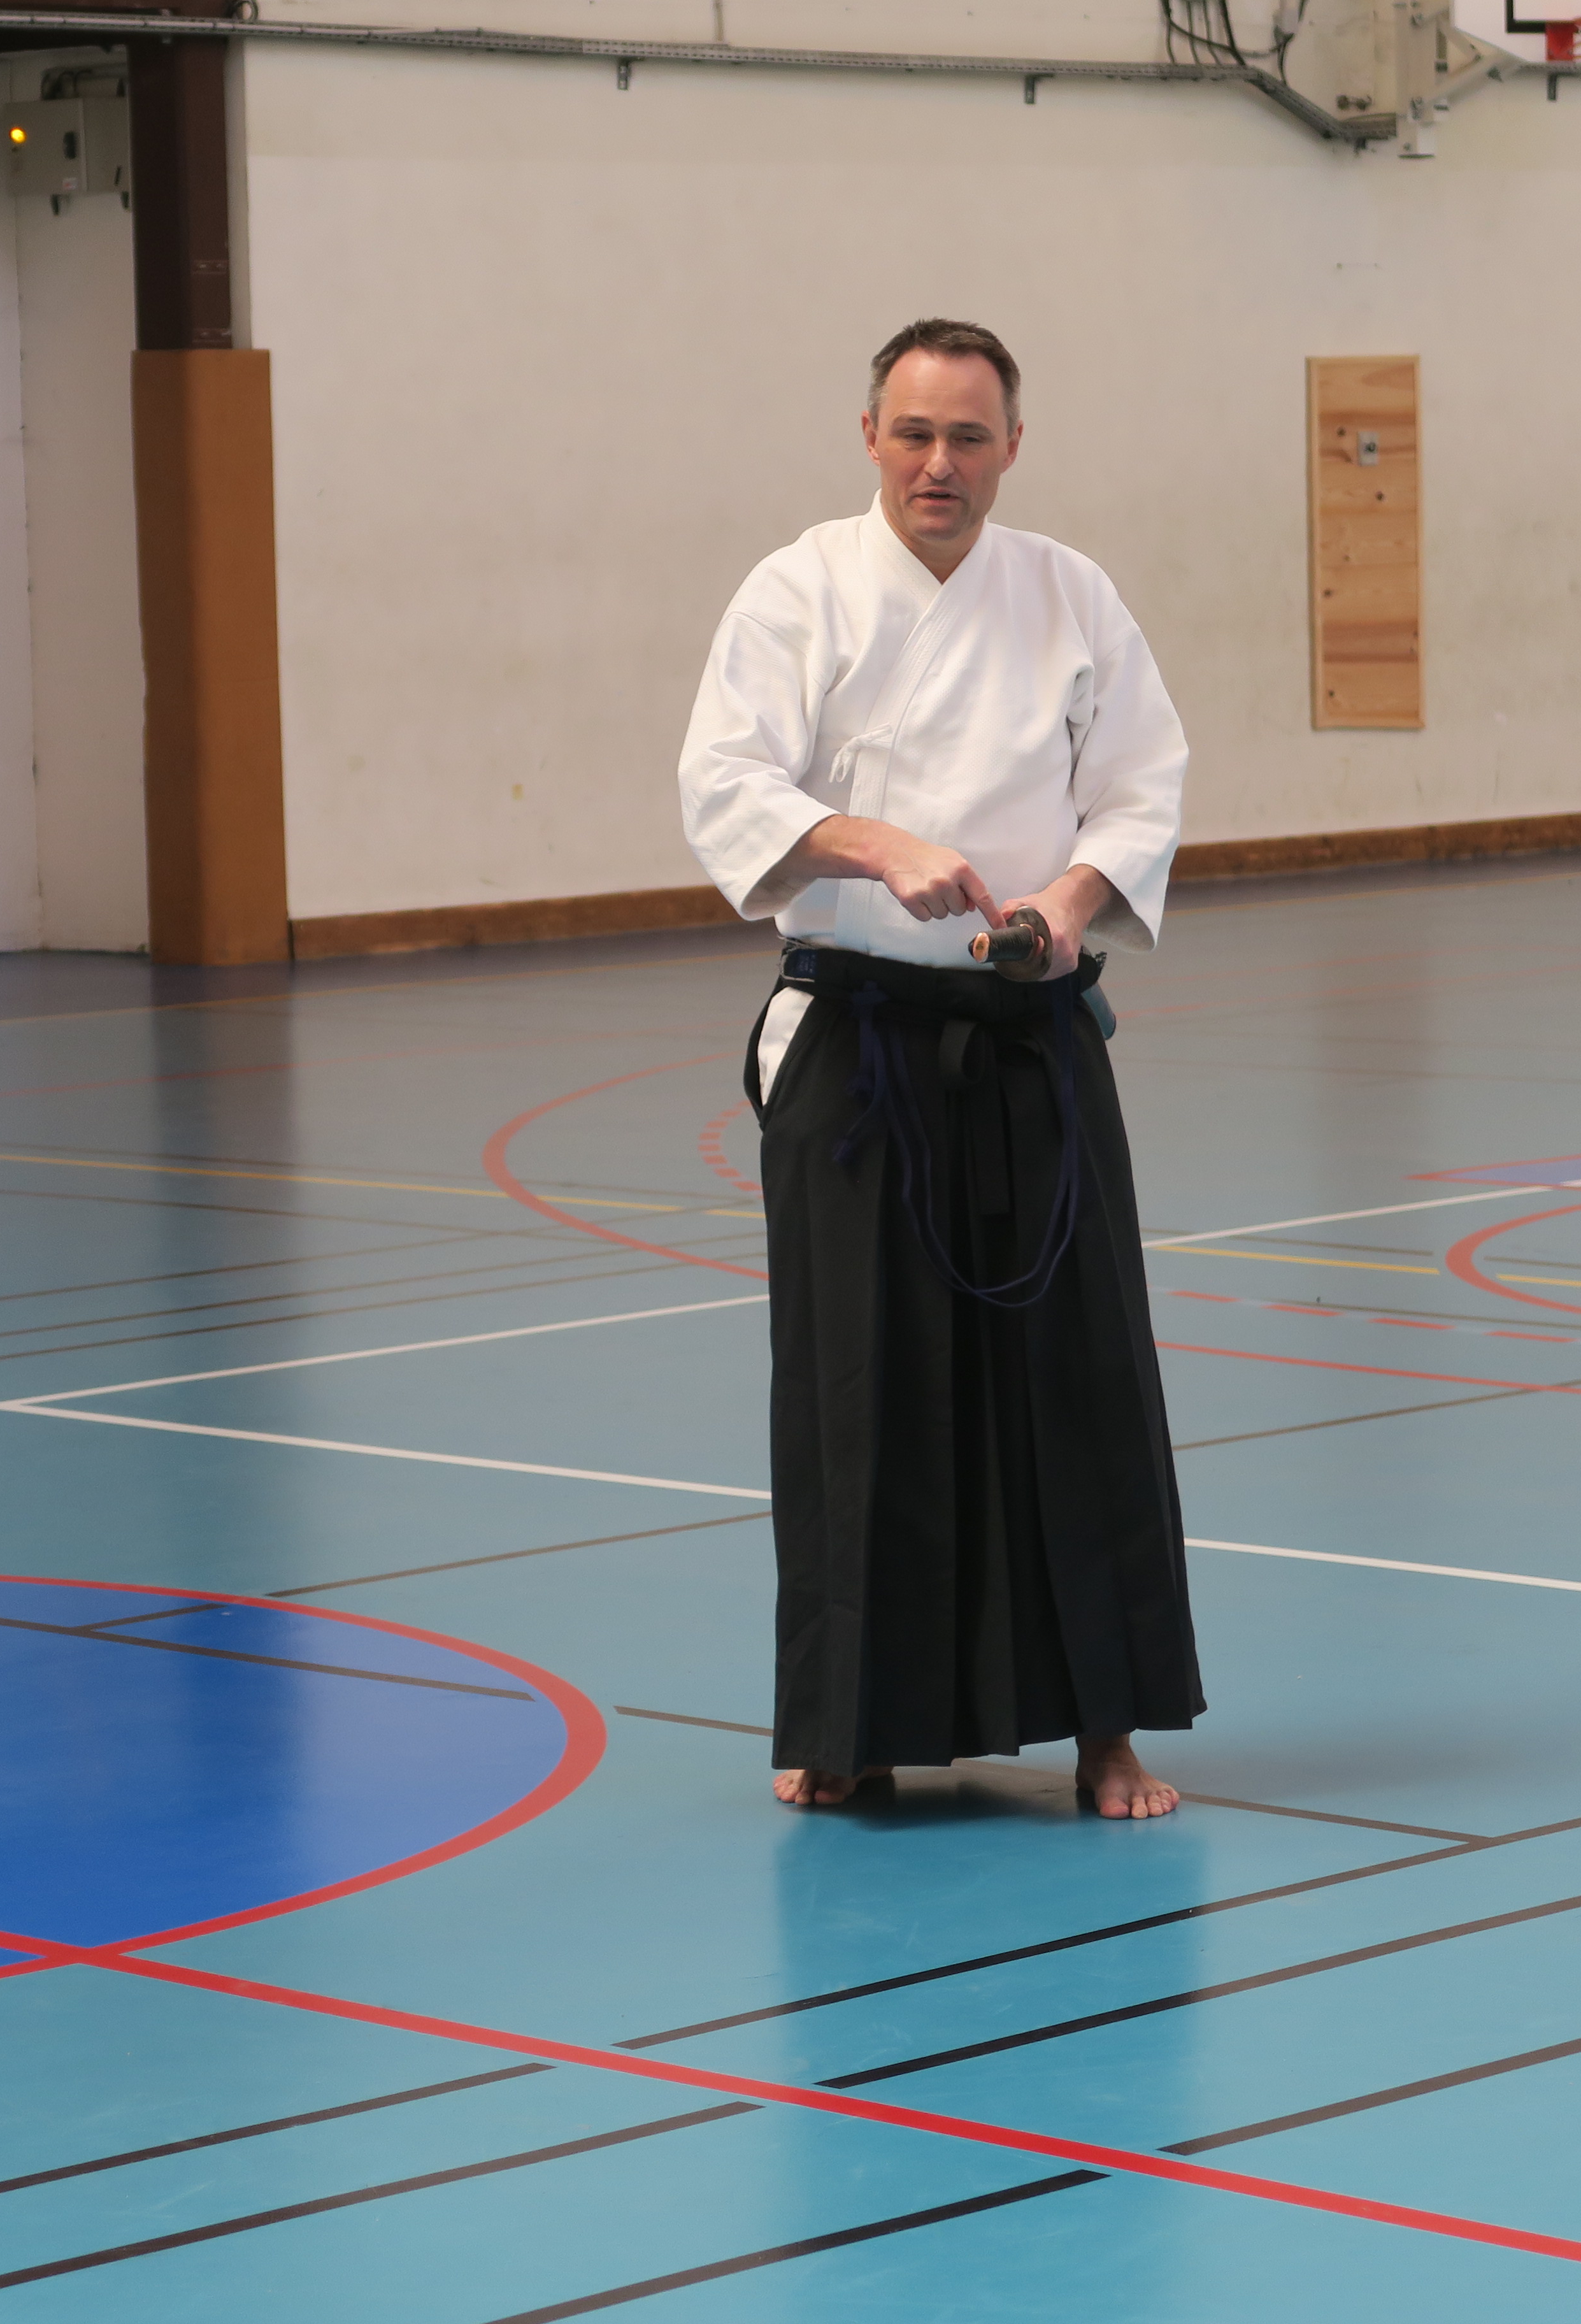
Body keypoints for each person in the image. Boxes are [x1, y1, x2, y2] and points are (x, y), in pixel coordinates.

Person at [678, 317, 1201, 1822]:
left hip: (1029, 1032)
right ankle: (851, 1724)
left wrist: (1070, 906)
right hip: (858, 1043)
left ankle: (1105, 1729)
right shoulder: (799, 590)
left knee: (1079, 1379)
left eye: (970, 437)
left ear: (1012, 448)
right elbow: (724, 778)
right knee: (859, 1388)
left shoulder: (1072, 595)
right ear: (870, 437)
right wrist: (870, 844)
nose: (939, 464)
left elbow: (1141, 788)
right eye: (914, 433)